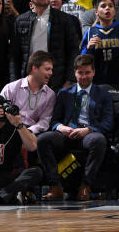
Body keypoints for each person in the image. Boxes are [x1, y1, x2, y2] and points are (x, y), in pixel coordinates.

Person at [38, 54, 113, 201]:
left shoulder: (103, 94)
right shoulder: (64, 93)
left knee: (99, 140)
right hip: (67, 133)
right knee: (42, 140)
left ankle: (86, 185)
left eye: (87, 73)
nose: (84, 76)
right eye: (80, 73)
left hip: (88, 133)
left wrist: (88, 129)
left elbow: (108, 123)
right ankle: (55, 186)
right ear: (75, 73)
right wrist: (61, 128)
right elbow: (54, 121)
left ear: (94, 72)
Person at [11, 0, 81, 89]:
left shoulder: (64, 19)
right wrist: (14, 82)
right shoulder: (21, 21)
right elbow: (15, 55)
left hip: (57, 80)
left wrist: (70, 79)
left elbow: (73, 51)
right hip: (28, 79)